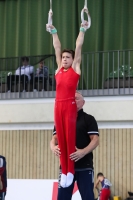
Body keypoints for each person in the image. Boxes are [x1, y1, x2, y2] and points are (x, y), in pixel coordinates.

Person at [46, 18, 90, 188]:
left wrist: (83, 29)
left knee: (69, 139)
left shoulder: (75, 68)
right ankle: (64, 170)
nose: (64, 59)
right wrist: (53, 31)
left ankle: (70, 172)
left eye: (67, 57)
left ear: (73, 60)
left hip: (70, 106)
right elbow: (56, 47)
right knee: (61, 140)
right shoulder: (58, 69)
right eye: (63, 57)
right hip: (58, 106)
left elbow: (78, 47)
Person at [50, 92, 99, 200]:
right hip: (65, 168)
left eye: (76, 99)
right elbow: (54, 139)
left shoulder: (89, 119)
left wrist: (82, 152)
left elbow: (95, 140)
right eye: (71, 98)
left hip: (84, 166)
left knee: (88, 197)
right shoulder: (61, 119)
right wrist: (53, 147)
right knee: (62, 197)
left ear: (83, 103)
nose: (73, 101)